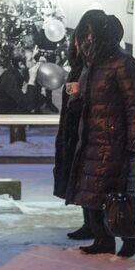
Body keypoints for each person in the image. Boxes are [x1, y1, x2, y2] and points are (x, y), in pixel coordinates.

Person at [66, 10, 135, 258]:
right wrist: (76, 98)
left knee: (117, 196)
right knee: (92, 195)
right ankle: (103, 240)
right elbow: (92, 101)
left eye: (91, 34)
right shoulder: (94, 63)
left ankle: (132, 234)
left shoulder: (124, 63)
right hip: (92, 139)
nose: (87, 39)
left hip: (115, 142)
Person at [52, 35, 92, 240]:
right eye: (75, 41)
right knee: (80, 178)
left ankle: (98, 226)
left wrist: (78, 97)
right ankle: (90, 223)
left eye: (81, 40)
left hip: (85, 129)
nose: (77, 45)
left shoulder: (91, 65)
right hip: (73, 128)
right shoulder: (78, 66)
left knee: (89, 179)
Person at [0, 45, 42, 114]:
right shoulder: (9, 78)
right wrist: (32, 80)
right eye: (31, 59)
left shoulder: (21, 70)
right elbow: (27, 105)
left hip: (13, 103)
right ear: (21, 64)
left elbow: (36, 93)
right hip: (3, 110)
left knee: (40, 99)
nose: (34, 62)